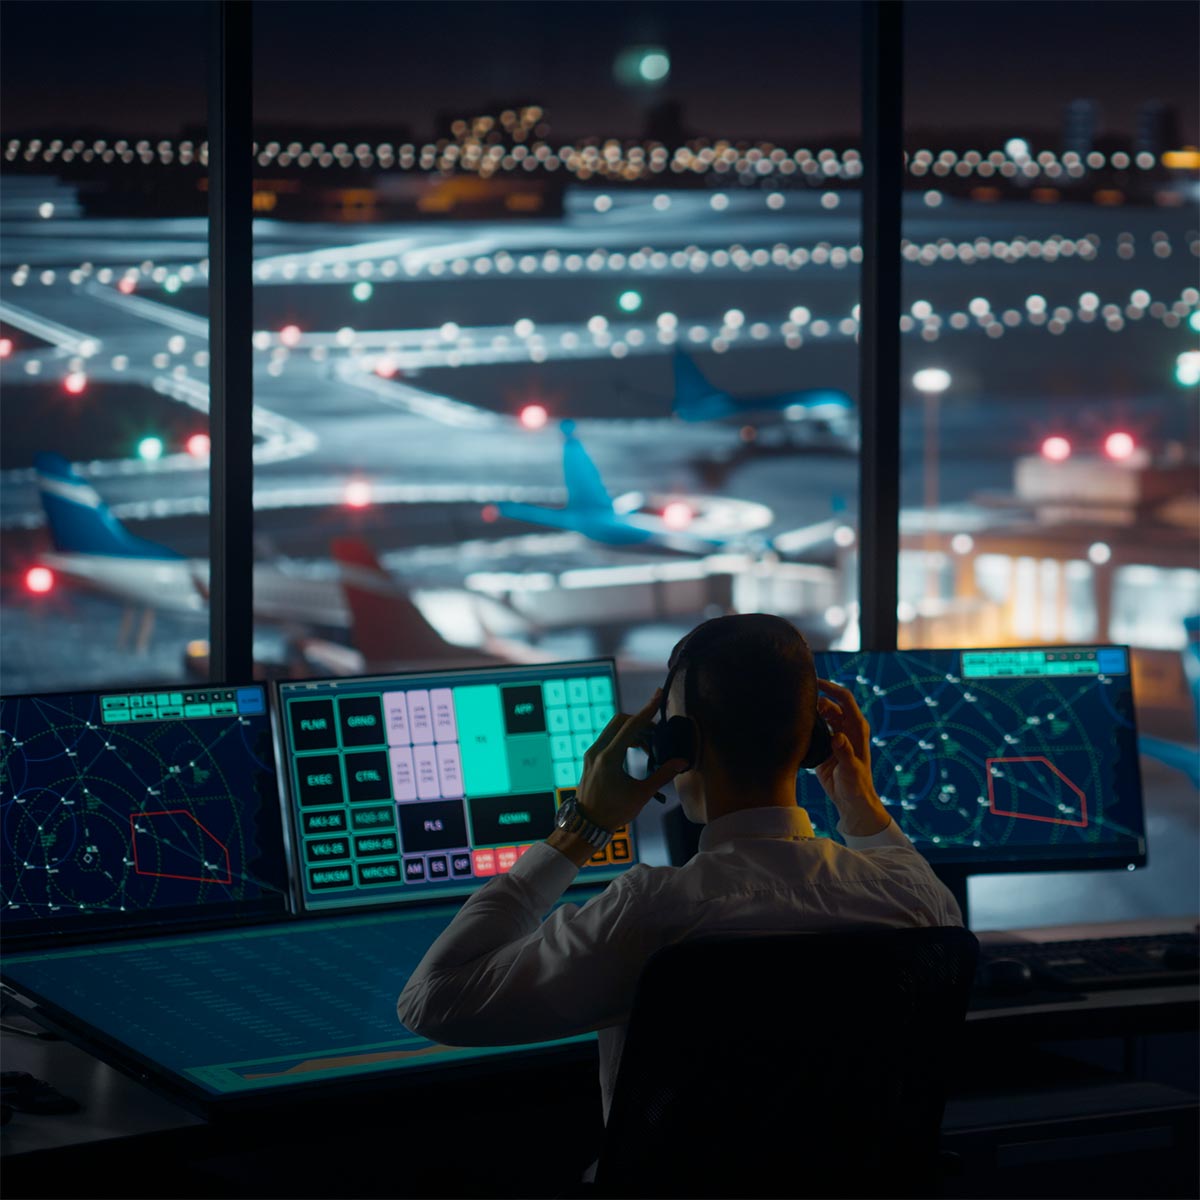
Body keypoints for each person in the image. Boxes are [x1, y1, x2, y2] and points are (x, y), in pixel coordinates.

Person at [397, 613, 963, 1133]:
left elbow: (433, 1001)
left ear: (679, 745)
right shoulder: (913, 899)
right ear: (816, 739)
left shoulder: (648, 913)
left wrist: (583, 827)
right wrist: (859, 801)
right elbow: (920, 887)